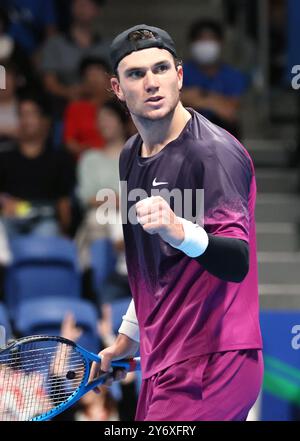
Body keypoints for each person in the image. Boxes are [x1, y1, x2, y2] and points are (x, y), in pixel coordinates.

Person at [90, 24, 263, 421]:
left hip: (214, 359)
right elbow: (154, 270)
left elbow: (236, 260)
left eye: (161, 69)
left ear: (180, 76)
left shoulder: (214, 153)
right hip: (163, 356)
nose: (152, 82)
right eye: (136, 74)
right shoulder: (130, 155)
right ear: (117, 88)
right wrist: (126, 340)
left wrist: (179, 229)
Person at [0, 94, 75, 238]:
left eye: (31, 114)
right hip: (9, 219)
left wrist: (65, 233)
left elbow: (64, 202)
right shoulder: (4, 156)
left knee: (47, 233)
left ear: (45, 121)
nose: (25, 120)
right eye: (21, 114)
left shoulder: (60, 158)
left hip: (46, 220)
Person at [181, 19, 247, 138]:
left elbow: (229, 110)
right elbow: (176, 100)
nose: (205, 44)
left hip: (221, 133)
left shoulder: (232, 75)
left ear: (221, 43)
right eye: (201, 39)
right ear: (192, 43)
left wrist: (198, 96)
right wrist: (215, 103)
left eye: (210, 39)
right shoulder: (180, 72)